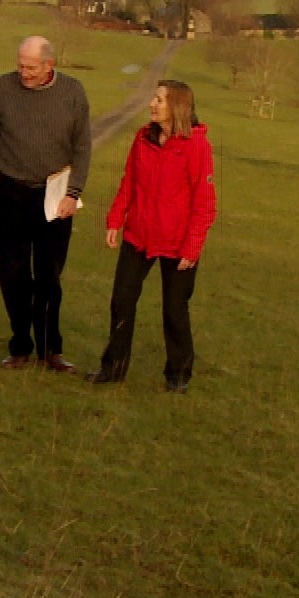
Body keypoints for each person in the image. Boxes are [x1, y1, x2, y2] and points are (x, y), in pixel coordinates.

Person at [86, 81, 216, 392]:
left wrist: (192, 247)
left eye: (159, 100)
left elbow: (204, 203)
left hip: (178, 243)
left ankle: (178, 376)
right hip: (138, 236)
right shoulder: (143, 138)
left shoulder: (196, 145)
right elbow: (129, 182)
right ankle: (113, 369)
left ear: (176, 107)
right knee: (121, 302)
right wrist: (115, 220)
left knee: (174, 309)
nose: (151, 104)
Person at [0, 36, 91, 372]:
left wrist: (73, 193)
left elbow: (82, 148)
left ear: (49, 65)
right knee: (12, 275)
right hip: (9, 193)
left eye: (31, 68)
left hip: (54, 196)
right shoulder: (1, 88)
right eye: (20, 66)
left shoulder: (73, 93)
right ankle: (20, 346)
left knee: (48, 277)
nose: (24, 73)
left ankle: (49, 349)